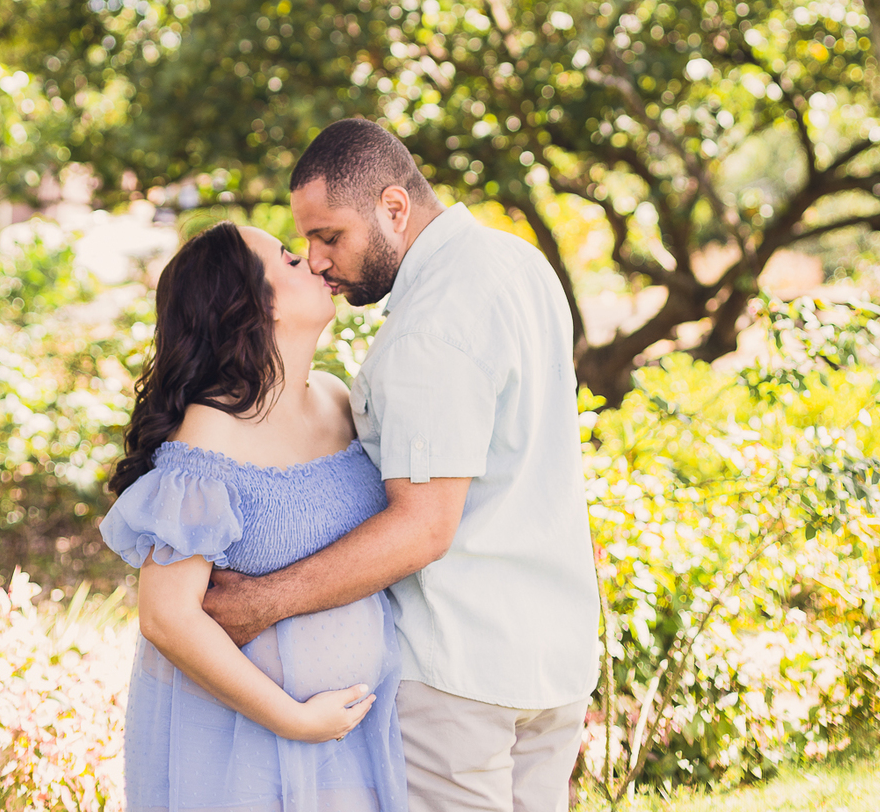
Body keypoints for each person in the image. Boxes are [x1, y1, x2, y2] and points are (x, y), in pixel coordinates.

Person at [204, 120, 600, 812]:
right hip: (555, 657)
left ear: (394, 207)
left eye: (330, 237)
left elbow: (423, 528)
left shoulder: (432, 326)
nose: (318, 260)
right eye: (307, 243)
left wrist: (263, 603)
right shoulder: (518, 263)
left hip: (462, 678)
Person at [100, 219, 409, 812]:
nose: (317, 262)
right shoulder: (210, 434)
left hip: (353, 736)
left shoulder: (337, 397)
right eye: (291, 261)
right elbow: (166, 617)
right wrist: (293, 719)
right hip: (247, 744)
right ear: (254, 307)